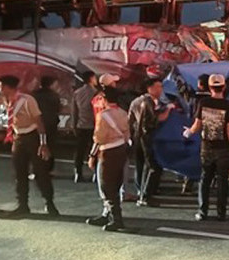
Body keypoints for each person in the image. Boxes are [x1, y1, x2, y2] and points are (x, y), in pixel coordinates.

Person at [0, 75, 59, 217]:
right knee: (20, 173)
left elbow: (39, 122)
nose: (0, 89)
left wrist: (43, 144)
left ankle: (49, 203)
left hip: (33, 137)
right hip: (18, 138)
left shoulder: (27, 100)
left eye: (1, 86)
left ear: (8, 87)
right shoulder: (7, 100)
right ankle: (22, 205)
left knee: (41, 173)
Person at [183, 74, 229, 221]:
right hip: (223, 149)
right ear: (224, 87)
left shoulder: (203, 103)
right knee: (222, 181)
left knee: (205, 179)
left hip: (206, 147)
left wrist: (189, 132)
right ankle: (221, 213)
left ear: (210, 87)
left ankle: (202, 211)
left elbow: (197, 125)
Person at [86, 86, 131, 232]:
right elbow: (127, 133)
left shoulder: (103, 115)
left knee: (106, 185)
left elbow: (99, 138)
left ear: (104, 99)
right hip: (121, 149)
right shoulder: (123, 113)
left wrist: (92, 155)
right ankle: (108, 214)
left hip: (107, 151)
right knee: (116, 183)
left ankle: (116, 219)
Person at [128, 78, 171, 206]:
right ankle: (146, 195)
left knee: (140, 166)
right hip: (146, 137)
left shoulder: (136, 101)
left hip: (136, 136)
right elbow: (156, 119)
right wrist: (168, 109)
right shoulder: (148, 102)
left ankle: (140, 191)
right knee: (153, 166)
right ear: (149, 88)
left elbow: (130, 119)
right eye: (158, 87)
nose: (160, 90)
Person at [72, 71, 98, 183]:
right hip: (94, 125)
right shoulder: (96, 93)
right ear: (91, 78)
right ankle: (96, 173)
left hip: (81, 125)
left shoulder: (77, 93)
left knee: (80, 150)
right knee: (95, 150)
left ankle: (78, 173)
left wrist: (74, 124)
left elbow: (74, 111)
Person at [33, 76, 61, 174]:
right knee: (50, 146)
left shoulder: (34, 95)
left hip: (37, 124)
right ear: (51, 84)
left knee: (36, 146)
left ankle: (37, 169)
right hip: (51, 124)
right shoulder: (54, 95)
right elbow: (57, 109)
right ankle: (48, 169)